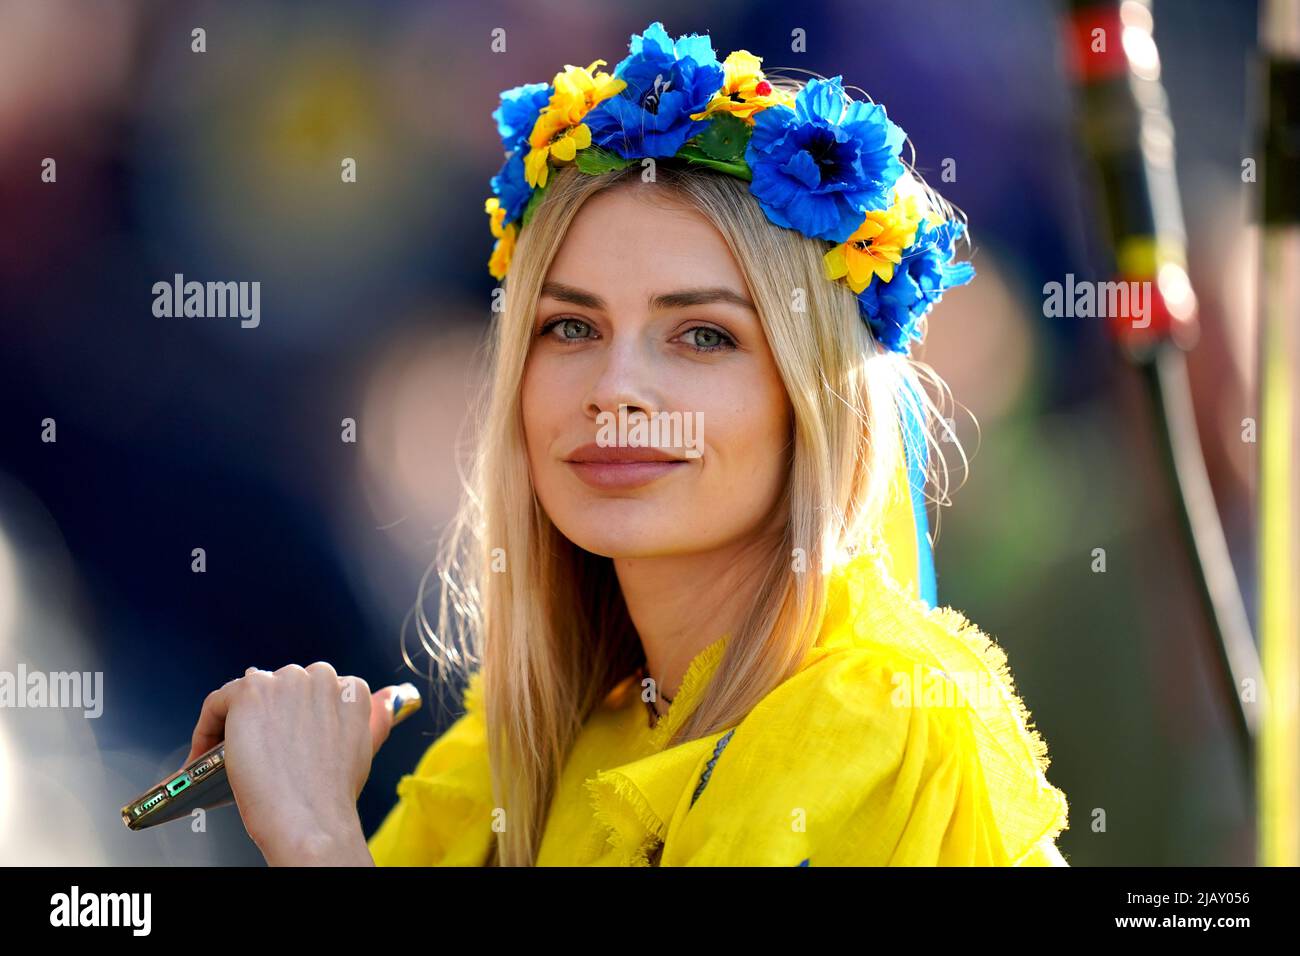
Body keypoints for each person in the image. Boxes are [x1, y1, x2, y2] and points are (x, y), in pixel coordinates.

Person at [185, 21, 1070, 867]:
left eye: (703, 337)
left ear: (818, 402)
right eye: (570, 328)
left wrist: (316, 842)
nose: (614, 390)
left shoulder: (876, 728)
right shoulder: (517, 749)